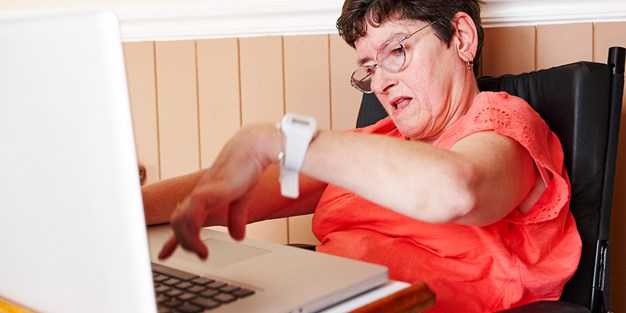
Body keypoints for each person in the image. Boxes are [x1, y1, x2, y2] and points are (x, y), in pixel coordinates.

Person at [144, 0, 582, 311]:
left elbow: (456, 190)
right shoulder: (379, 138)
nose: (381, 84)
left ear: (462, 38)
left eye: (397, 51)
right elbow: (243, 188)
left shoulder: (504, 123)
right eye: (370, 67)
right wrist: (124, 204)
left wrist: (282, 140)